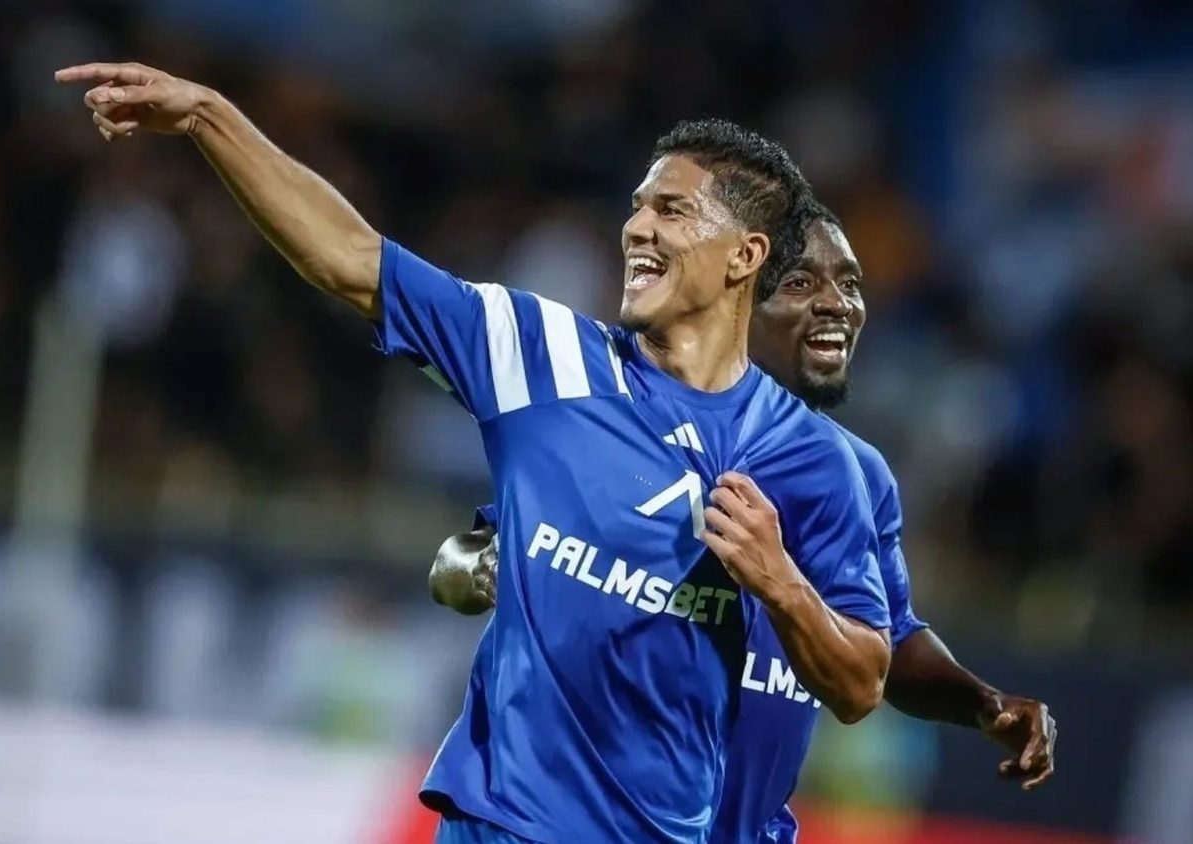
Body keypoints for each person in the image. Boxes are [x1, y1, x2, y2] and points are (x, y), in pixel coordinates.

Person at [56, 61, 893, 844]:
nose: (637, 227)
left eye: (672, 211)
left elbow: (859, 684)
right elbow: (351, 259)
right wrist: (208, 117)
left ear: (745, 255)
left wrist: (781, 584)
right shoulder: (541, 354)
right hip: (499, 821)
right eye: (638, 205)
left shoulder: (811, 461)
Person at [431, 199, 1059, 843]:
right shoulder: (629, 429)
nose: (839, 304)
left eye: (850, 284)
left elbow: (886, 644)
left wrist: (981, 702)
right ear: (736, 300)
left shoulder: (858, 475)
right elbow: (488, 551)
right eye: (802, 283)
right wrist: (468, 561)